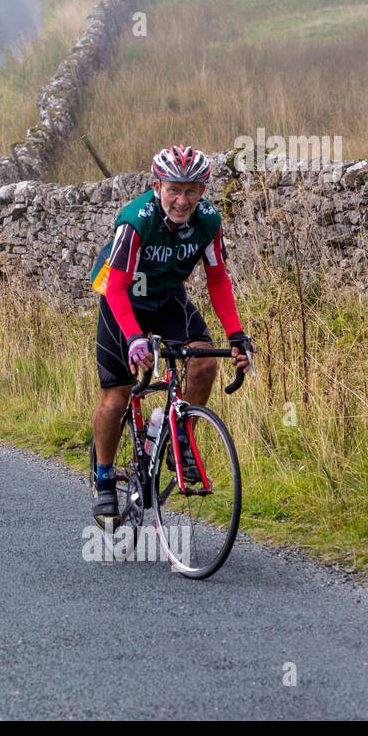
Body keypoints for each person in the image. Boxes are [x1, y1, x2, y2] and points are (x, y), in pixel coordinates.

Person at [88, 145, 253, 531]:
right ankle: (106, 478)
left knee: (205, 360)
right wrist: (133, 338)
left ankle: (177, 431)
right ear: (157, 185)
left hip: (165, 297)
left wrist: (236, 335)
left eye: (192, 190)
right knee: (117, 395)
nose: (182, 200)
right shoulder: (136, 221)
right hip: (121, 295)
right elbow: (117, 287)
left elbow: (217, 279)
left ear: (203, 190)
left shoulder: (208, 222)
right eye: (174, 190)